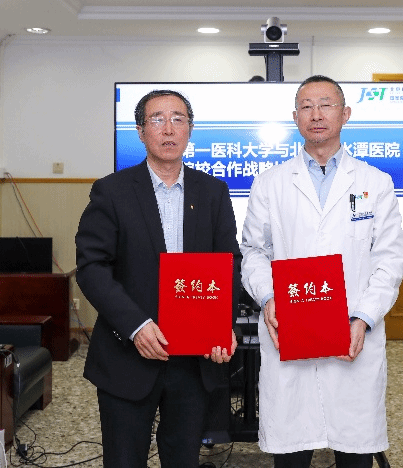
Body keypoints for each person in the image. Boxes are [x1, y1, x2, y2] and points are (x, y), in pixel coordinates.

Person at [240, 75, 403, 468]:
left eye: (326, 105)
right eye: (307, 106)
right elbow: (253, 251)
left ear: (345, 114)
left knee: (354, 452)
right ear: (295, 117)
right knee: (291, 452)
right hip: (289, 329)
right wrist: (268, 297)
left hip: (353, 333)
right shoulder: (270, 183)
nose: (316, 114)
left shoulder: (374, 183)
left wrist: (363, 318)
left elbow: (390, 258)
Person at [75, 89, 242, 468]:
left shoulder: (212, 192)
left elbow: (229, 263)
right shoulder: (112, 191)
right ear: (140, 131)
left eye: (178, 119)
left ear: (190, 129)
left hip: (193, 360)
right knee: (124, 459)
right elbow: (92, 267)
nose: (169, 129)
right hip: (128, 354)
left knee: (183, 458)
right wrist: (135, 326)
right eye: (157, 119)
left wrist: (222, 325)